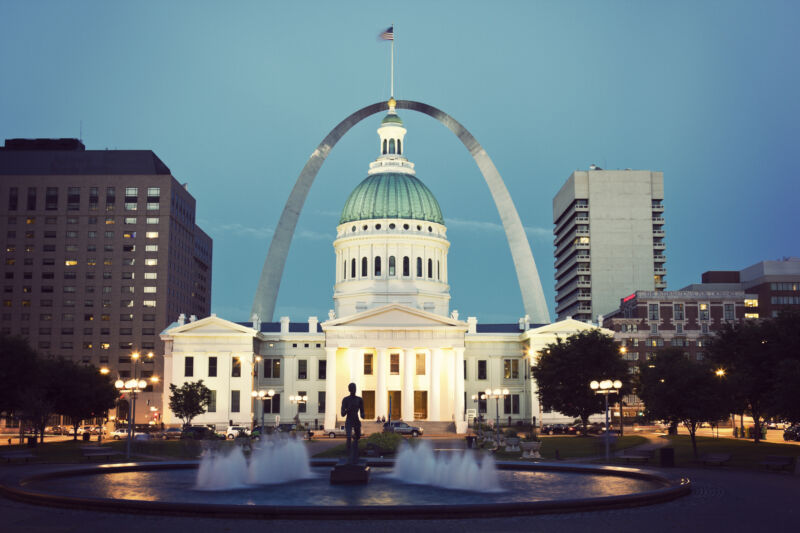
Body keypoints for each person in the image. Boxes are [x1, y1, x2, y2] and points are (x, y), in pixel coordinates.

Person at [340, 382, 365, 464]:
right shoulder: (345, 399)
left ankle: (355, 453)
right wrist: (347, 410)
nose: (354, 389)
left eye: (354, 388)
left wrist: (363, 415)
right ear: (349, 389)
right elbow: (342, 414)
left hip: (356, 419)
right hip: (349, 420)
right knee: (348, 437)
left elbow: (362, 412)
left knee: (357, 436)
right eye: (352, 388)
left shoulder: (359, 399)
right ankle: (348, 456)